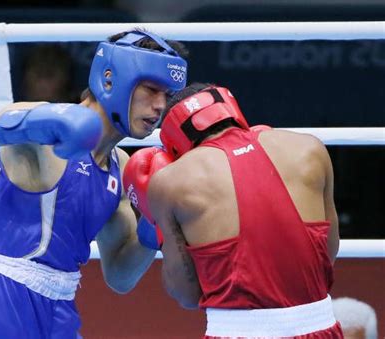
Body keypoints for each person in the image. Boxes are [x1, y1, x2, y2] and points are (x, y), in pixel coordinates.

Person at [0, 29, 188, 338]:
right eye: (151, 89)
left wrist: (154, 226)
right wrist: (29, 124)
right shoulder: (48, 126)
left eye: (168, 95)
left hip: (60, 309)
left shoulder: (120, 168)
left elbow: (120, 276)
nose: (161, 106)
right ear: (110, 79)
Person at [123, 83, 343, 338]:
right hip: (319, 326)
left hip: (236, 331)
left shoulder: (172, 181)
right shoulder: (310, 148)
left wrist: (158, 228)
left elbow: (186, 294)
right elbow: (328, 253)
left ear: (173, 140)